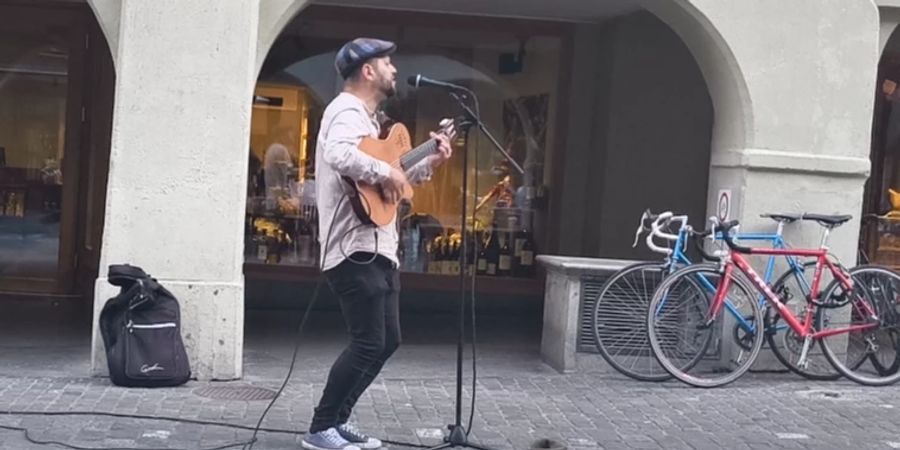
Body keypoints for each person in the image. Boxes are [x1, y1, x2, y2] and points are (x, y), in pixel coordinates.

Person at [302, 38, 453, 450]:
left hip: (380, 249)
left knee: (387, 340)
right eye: (386, 62)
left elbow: (398, 178)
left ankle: (337, 420)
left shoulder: (372, 122)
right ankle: (320, 428)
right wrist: (387, 174)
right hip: (353, 249)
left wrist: (429, 161)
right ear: (367, 70)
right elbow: (338, 153)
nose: (393, 69)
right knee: (369, 340)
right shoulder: (345, 110)